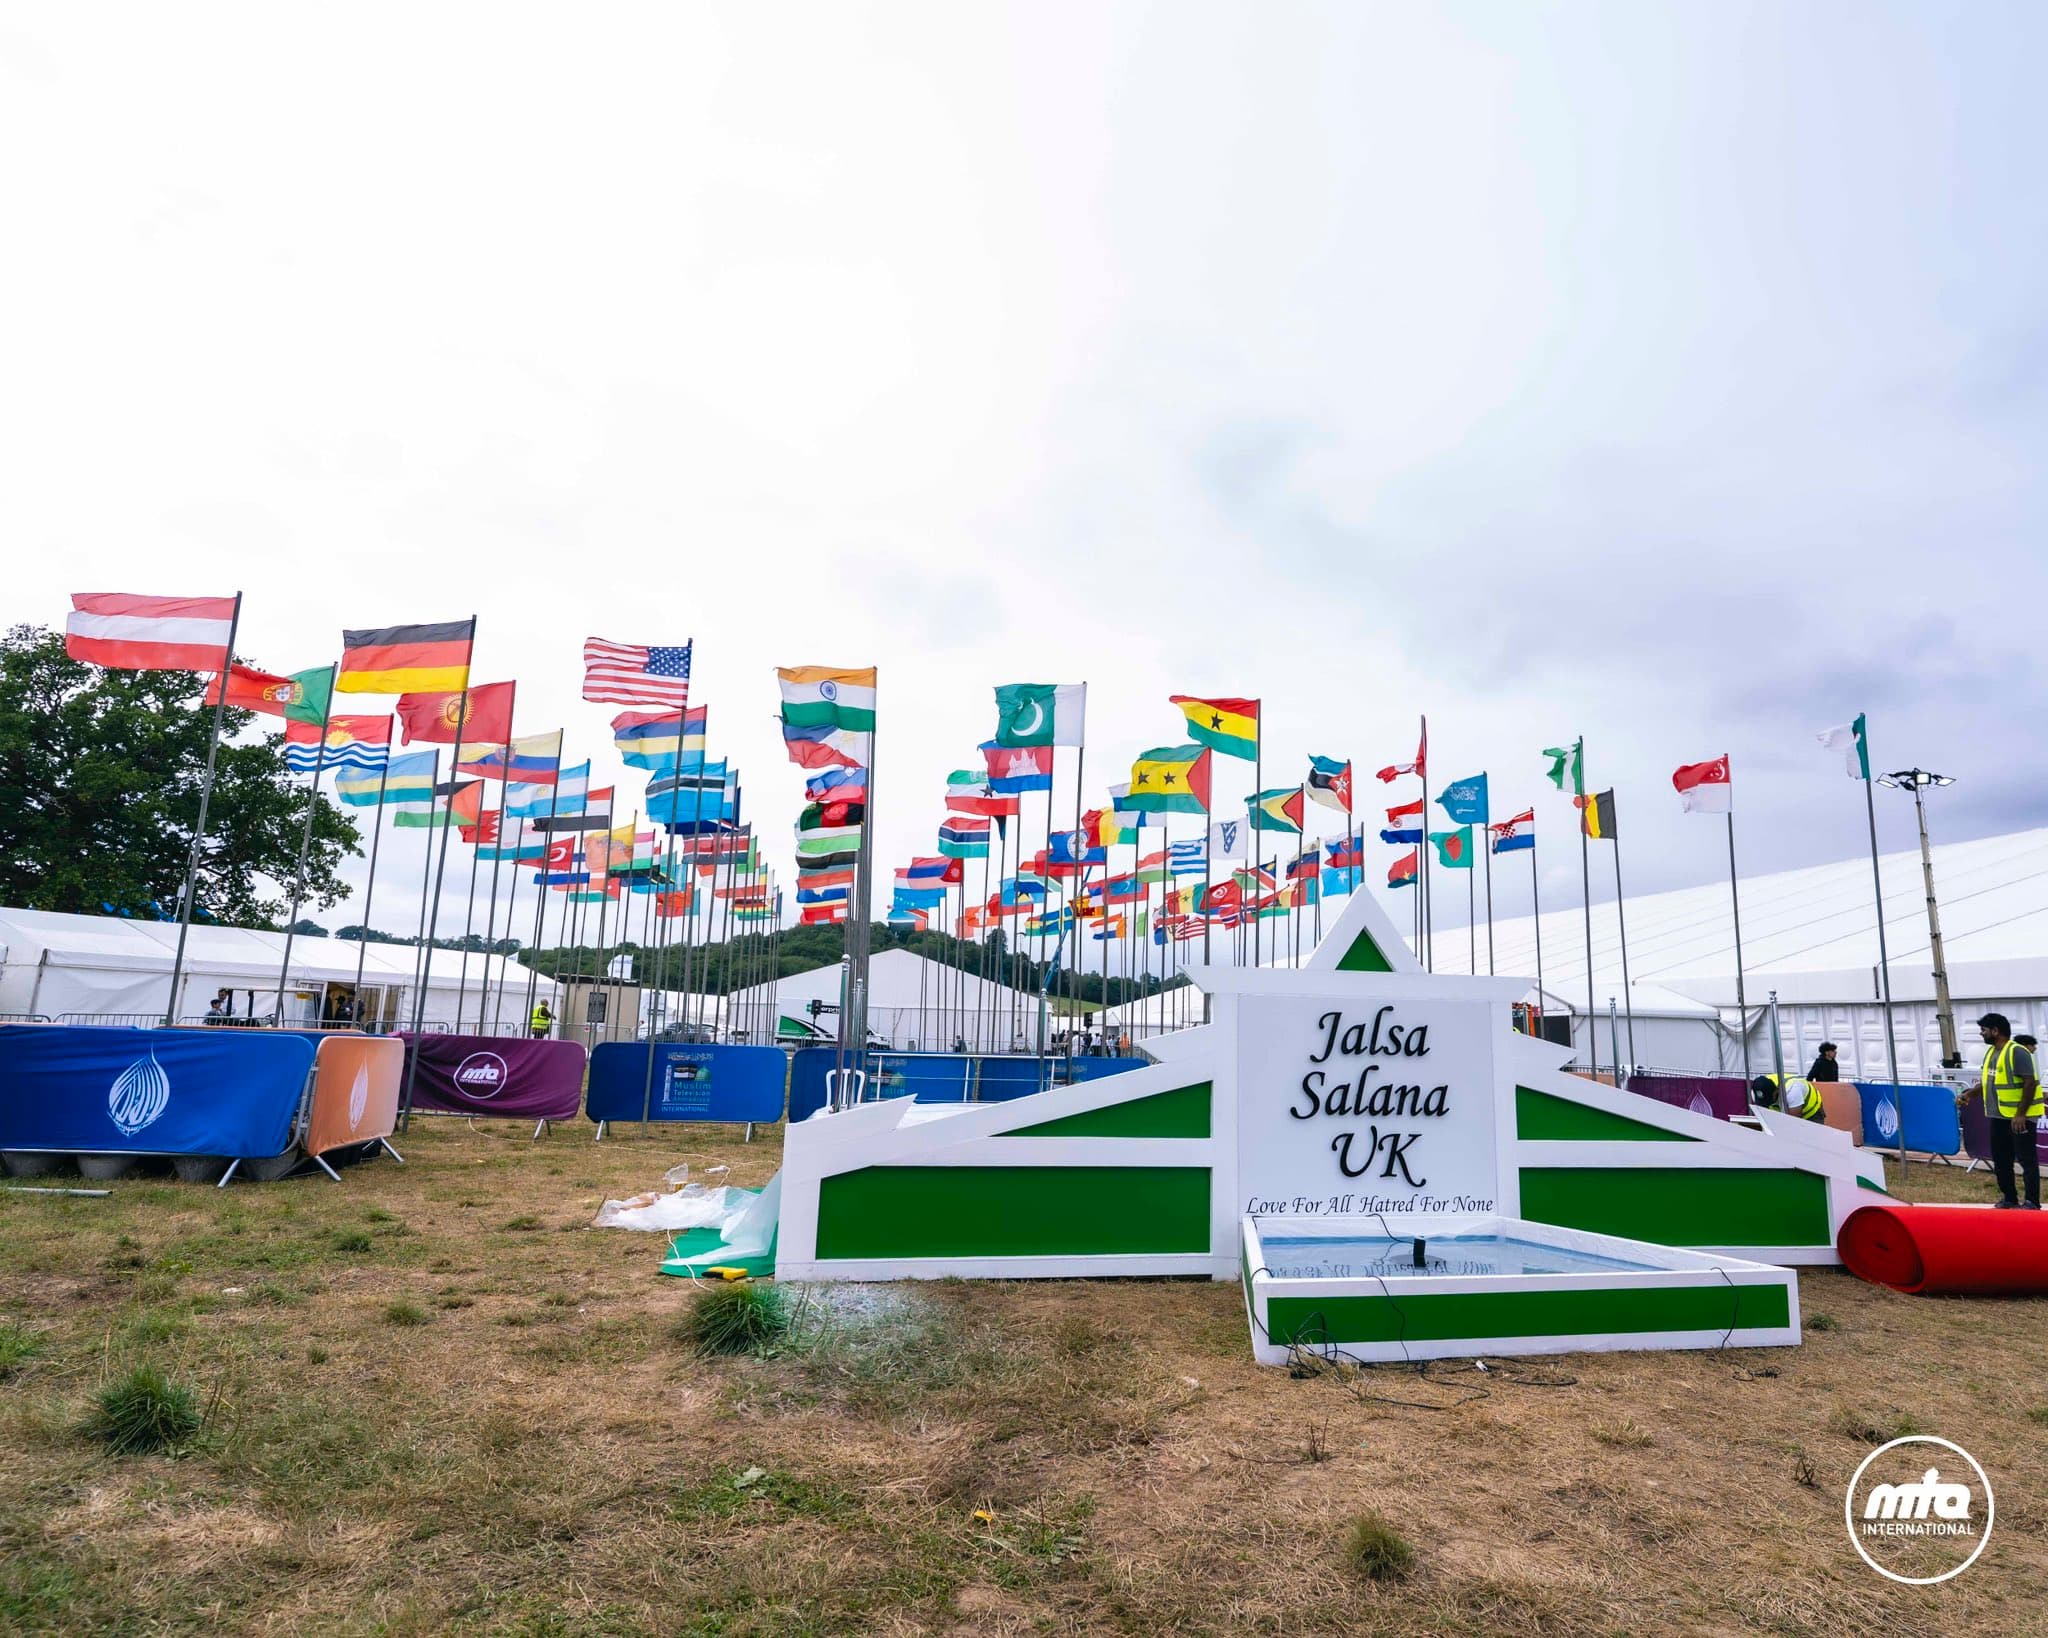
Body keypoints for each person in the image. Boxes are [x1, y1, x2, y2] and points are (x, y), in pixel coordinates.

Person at [1966, 1013, 2041, 1210]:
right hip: (1998, 1116)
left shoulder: (2017, 1052)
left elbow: (2030, 1082)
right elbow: (1987, 1083)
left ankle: (2032, 1201)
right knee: (2001, 1160)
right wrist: (1969, 1094)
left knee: (2027, 1160)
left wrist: (2020, 1114)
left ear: (1995, 1031)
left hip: (2019, 1118)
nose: (1981, 1034)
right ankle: (2009, 1199)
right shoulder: (1991, 1053)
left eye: (1983, 1030)